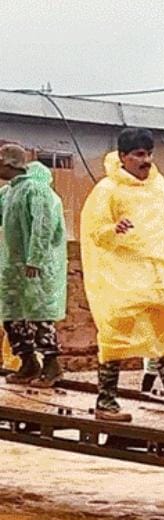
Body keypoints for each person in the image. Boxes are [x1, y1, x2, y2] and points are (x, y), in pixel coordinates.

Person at [81, 128, 164, 425]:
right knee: (115, 334)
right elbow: (94, 232)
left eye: (149, 154)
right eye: (139, 155)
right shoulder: (107, 191)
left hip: (158, 274)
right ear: (123, 157)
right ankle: (106, 403)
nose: (146, 160)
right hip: (121, 276)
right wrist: (113, 230)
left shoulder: (158, 186)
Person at [0, 144, 67, 387]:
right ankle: (28, 363)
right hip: (13, 267)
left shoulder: (36, 190)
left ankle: (52, 366)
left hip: (35, 267)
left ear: (10, 164)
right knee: (12, 315)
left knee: (40, 316)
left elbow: (43, 226)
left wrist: (36, 259)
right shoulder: (9, 193)